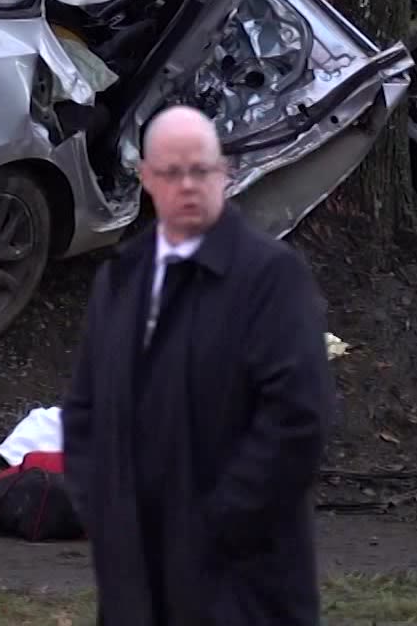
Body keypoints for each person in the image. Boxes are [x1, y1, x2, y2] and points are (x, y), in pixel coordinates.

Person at [62, 104, 337, 626]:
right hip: (134, 578)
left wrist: (217, 523)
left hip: (240, 580)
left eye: (201, 170)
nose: (188, 185)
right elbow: (85, 406)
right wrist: (101, 505)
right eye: (171, 172)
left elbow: (299, 418)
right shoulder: (121, 278)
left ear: (225, 173)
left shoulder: (270, 277)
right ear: (146, 179)